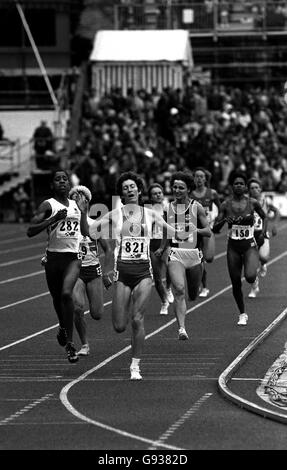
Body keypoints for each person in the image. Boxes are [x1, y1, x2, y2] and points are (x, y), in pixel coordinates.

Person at [76, 171, 179, 380]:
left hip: (144, 274)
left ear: (139, 190)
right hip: (123, 275)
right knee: (119, 325)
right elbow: (88, 231)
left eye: (132, 187)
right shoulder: (115, 215)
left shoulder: (150, 214)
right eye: (125, 188)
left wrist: (179, 233)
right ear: (121, 195)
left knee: (137, 319)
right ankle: (133, 355)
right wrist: (83, 213)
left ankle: (135, 365)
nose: (129, 190)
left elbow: (172, 231)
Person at [26, 169, 82, 363]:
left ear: (69, 183)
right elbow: (30, 230)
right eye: (57, 179)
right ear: (52, 184)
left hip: (73, 258)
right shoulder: (48, 204)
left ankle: (70, 344)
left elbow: (85, 230)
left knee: (67, 294)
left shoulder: (77, 205)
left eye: (65, 179)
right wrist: (52, 219)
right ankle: (62, 327)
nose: (62, 182)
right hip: (53, 259)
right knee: (58, 299)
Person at [156, 171, 212, 340]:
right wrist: (161, 248)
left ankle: (194, 293)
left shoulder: (196, 207)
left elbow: (208, 231)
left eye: (181, 187)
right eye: (175, 187)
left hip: (194, 255)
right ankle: (182, 329)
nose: (177, 190)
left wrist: (197, 230)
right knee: (179, 290)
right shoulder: (168, 208)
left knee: (192, 294)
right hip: (176, 255)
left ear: (188, 189)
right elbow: (166, 231)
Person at [212, 172, 267, 326]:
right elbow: (215, 229)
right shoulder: (225, 204)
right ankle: (242, 313)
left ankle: (254, 278)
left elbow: (264, 217)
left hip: (249, 244)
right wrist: (223, 220)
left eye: (241, 183)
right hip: (233, 247)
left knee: (249, 277)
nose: (239, 186)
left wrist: (263, 232)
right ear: (232, 186)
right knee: (236, 281)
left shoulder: (253, 202)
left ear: (245, 187)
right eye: (236, 183)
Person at [69, 185, 112, 356]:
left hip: (93, 270)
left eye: (82, 199)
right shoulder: (67, 225)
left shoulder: (95, 225)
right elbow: (56, 245)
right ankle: (85, 344)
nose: (79, 201)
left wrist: (106, 273)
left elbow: (108, 250)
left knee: (97, 314)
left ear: (87, 202)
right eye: (75, 199)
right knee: (78, 307)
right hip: (75, 271)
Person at [247, 177, 280, 298]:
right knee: (251, 264)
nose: (254, 190)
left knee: (263, 257)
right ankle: (254, 288)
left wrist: (274, 226)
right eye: (252, 188)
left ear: (260, 189)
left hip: (263, 234)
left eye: (256, 187)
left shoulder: (266, 201)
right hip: (249, 236)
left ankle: (263, 264)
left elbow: (276, 211)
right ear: (249, 190)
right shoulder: (246, 202)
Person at [191, 167, 221, 298]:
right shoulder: (190, 194)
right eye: (196, 176)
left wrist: (216, 223)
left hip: (207, 230)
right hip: (194, 231)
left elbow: (221, 209)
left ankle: (202, 285)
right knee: (198, 260)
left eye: (201, 176)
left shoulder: (212, 193)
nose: (199, 179)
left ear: (205, 179)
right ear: (193, 178)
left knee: (207, 258)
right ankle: (202, 286)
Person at [148, 183, 174, 315]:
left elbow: (169, 230)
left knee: (170, 267)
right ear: (151, 197)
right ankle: (164, 302)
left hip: (165, 243)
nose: (158, 195)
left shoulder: (167, 209)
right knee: (157, 278)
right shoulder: (147, 211)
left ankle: (168, 288)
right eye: (155, 193)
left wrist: (163, 247)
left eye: (160, 192)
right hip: (152, 244)